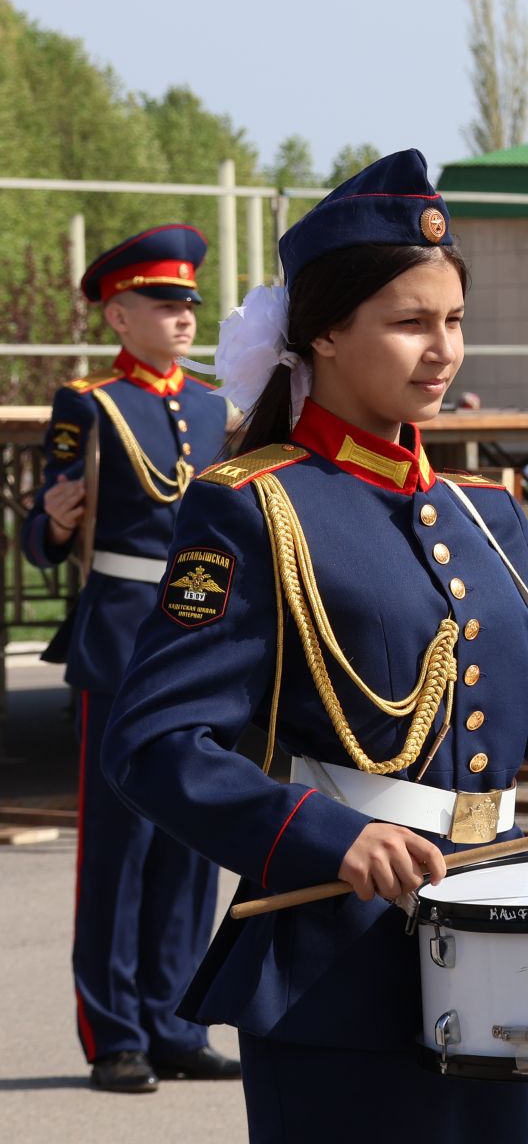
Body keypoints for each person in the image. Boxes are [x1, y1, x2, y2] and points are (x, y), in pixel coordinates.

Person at [101, 151, 528, 1141]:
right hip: (334, 968)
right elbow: (154, 743)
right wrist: (329, 834)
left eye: (452, 321)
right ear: (323, 329)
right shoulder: (253, 505)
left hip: (499, 952)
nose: (442, 350)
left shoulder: (482, 512)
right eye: (410, 323)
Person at [20, 224, 238, 1093]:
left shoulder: (219, 406)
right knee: (121, 846)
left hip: (201, 641)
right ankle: (116, 1033)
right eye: (163, 303)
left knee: (195, 841)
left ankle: (177, 1021)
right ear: (119, 311)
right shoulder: (91, 405)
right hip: (119, 638)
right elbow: (42, 535)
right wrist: (58, 522)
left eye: (189, 303)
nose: (183, 317)